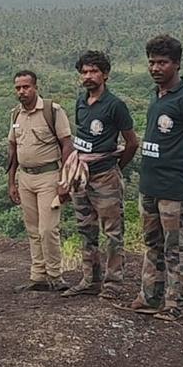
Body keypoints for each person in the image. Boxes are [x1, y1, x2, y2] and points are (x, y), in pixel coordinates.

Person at [116, 34, 183, 322]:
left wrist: (180, 166)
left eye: (162, 62)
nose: (156, 68)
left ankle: (174, 302)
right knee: (152, 243)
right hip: (149, 185)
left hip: (174, 187)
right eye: (152, 62)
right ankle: (149, 296)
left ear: (177, 64)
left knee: (175, 246)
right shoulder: (155, 97)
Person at [62, 51, 138, 299]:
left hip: (105, 175)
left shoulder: (115, 105)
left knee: (113, 232)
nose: (88, 76)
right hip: (81, 175)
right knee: (86, 229)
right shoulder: (81, 102)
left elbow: (132, 142)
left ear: (105, 74)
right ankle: (90, 279)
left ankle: (113, 283)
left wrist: (115, 168)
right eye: (84, 72)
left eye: (94, 71)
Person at [7, 70, 73, 292]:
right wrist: (11, 181)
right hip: (25, 177)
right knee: (33, 228)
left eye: (26, 87)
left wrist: (65, 179)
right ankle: (38, 276)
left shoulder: (52, 110)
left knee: (48, 229)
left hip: (49, 176)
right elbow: (13, 148)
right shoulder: (16, 114)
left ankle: (55, 275)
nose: (22, 91)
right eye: (18, 88)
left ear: (35, 87)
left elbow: (67, 144)